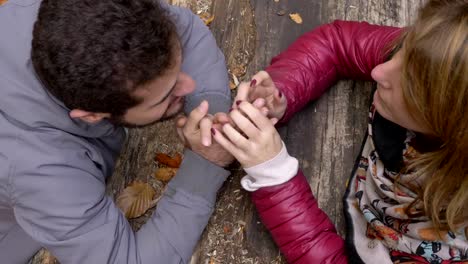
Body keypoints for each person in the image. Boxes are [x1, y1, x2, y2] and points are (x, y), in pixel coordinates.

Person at [211, 0, 468, 263]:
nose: (378, 70)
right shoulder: (446, 51)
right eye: (403, 47)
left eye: (409, 85)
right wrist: (281, 94)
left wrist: (275, 178)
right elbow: (336, 42)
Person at [0, 0, 233, 263]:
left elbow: (187, 32)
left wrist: (210, 110)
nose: (189, 85)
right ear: (91, 115)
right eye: (166, 96)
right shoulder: (40, 170)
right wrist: (205, 163)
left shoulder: (86, 14)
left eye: (178, 68)